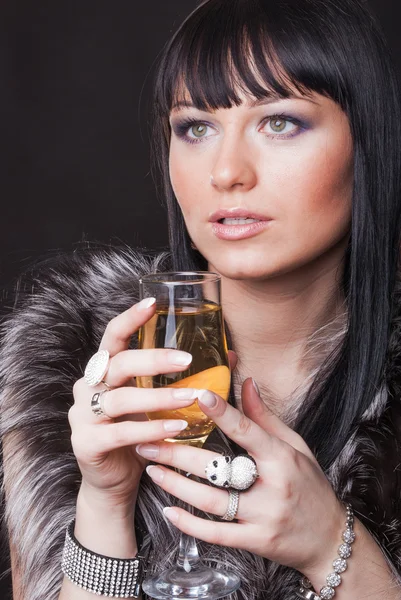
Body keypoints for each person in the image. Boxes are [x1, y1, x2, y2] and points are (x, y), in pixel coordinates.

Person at [1, 0, 401, 598]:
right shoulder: (63, 370)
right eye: (196, 127)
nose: (227, 171)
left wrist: (330, 544)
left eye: (280, 122)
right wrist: (106, 502)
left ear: (367, 143)